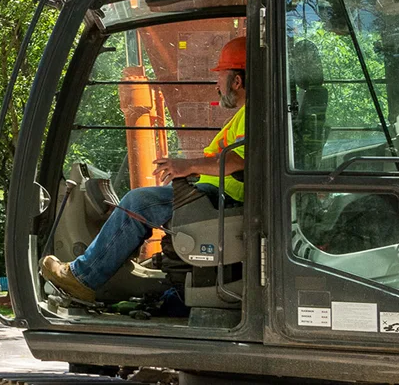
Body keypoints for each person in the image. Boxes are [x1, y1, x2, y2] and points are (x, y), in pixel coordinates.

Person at [42, 36, 247, 301]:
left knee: (139, 202)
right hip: (216, 192)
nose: (217, 85)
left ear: (237, 81)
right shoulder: (246, 114)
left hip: (224, 200)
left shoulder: (253, 115)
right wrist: (192, 171)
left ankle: (83, 277)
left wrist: (189, 165)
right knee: (144, 199)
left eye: (220, 76)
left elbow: (242, 161)